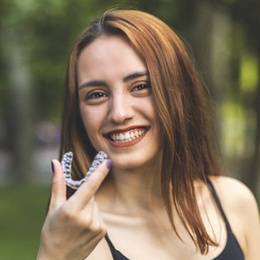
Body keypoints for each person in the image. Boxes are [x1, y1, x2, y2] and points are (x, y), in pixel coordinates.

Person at [37, 9, 260, 260]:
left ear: (180, 92)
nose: (119, 113)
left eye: (141, 86)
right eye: (97, 94)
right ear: (78, 113)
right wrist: (54, 254)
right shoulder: (81, 238)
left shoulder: (234, 202)